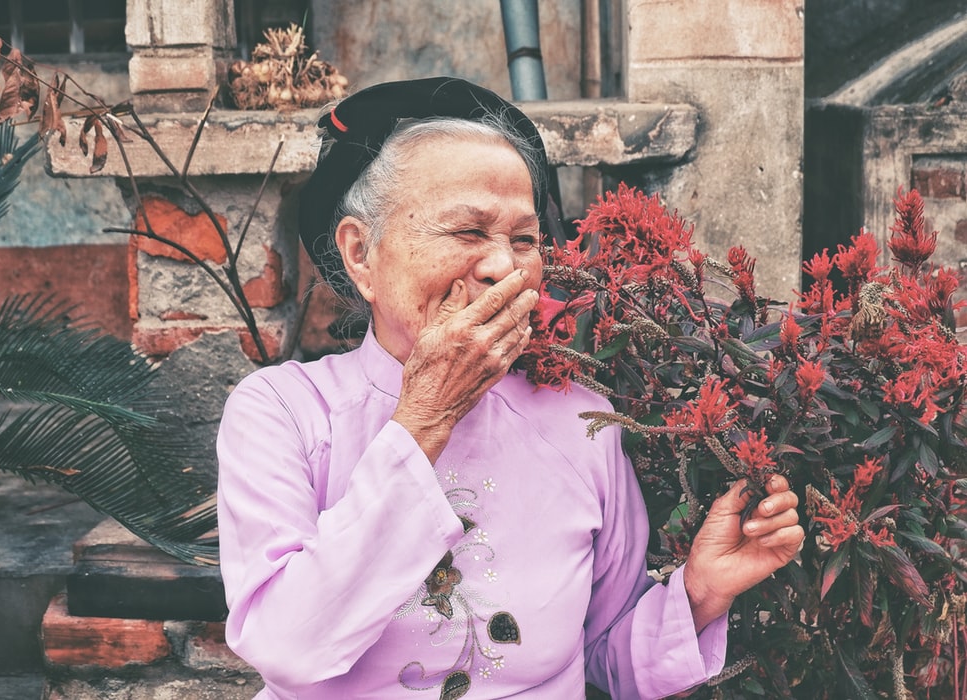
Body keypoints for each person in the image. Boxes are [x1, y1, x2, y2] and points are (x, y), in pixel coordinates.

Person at [216, 76, 804, 699]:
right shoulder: (284, 413)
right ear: (362, 254)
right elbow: (288, 646)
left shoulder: (582, 425)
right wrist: (425, 420)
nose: (504, 267)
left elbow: (603, 655)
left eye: (524, 240)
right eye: (467, 232)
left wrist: (702, 591)